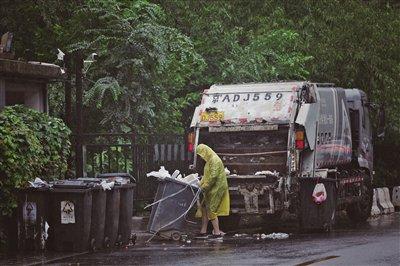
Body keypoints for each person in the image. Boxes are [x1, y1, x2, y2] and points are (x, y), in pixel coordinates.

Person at [195, 144, 230, 238]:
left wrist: (204, 186)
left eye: (201, 154)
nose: (201, 157)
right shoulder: (209, 160)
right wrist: (199, 183)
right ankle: (203, 231)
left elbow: (213, 176)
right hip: (211, 187)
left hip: (217, 187)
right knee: (205, 208)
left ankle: (217, 232)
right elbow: (206, 175)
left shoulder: (214, 160)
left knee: (211, 209)